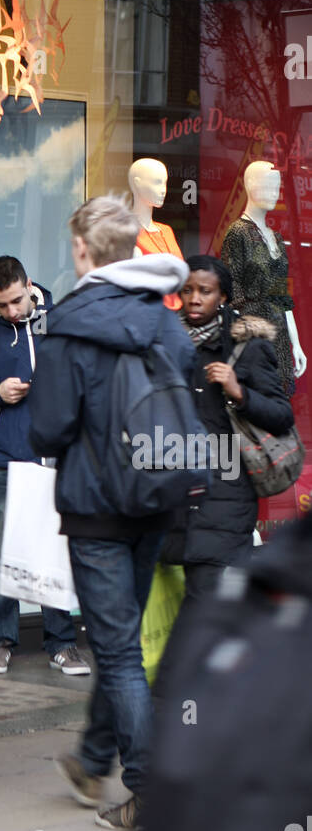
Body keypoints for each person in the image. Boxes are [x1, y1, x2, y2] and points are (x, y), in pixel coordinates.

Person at [26, 195, 195, 831]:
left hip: (96, 508)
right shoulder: (165, 320)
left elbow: (47, 428)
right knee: (120, 636)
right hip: (156, 503)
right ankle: (94, 758)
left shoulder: (70, 322)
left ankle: (150, 791)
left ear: (83, 251)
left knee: (118, 650)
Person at [0, 254, 91, 676]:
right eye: (1, 305)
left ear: (28, 285)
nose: (10, 311)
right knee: (1, 557)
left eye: (16, 301)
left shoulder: (56, 316)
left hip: (54, 456)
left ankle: (62, 644)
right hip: (5, 459)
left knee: (53, 550)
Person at [159, 256, 293, 636]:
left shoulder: (247, 348)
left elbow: (281, 415)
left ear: (223, 296)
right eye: (187, 291)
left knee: (205, 603)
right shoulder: (166, 344)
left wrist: (239, 391)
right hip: (173, 490)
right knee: (189, 604)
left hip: (227, 496)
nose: (194, 299)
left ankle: (191, 688)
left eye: (205, 291)